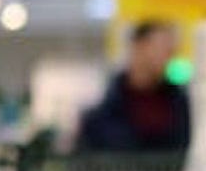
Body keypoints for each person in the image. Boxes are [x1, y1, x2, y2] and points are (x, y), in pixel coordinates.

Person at [77, 20, 192, 152]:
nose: (170, 57)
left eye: (172, 51)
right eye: (163, 49)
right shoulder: (100, 119)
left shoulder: (182, 108)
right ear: (138, 46)